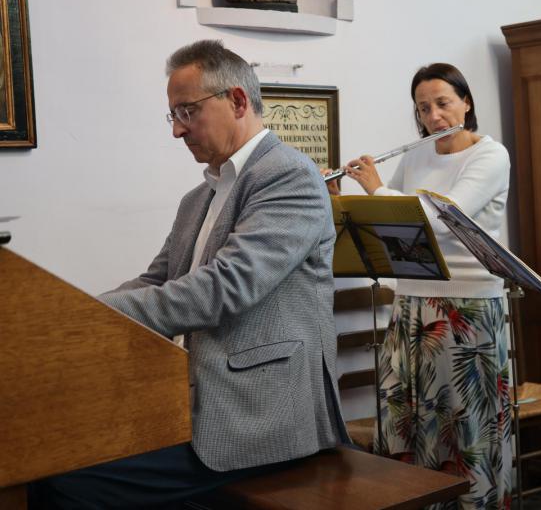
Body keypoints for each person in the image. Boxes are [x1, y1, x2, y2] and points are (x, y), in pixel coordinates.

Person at [31, 40, 345, 508]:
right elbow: (156, 280)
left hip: (261, 412)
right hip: (190, 396)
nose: (177, 130)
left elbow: (224, 287)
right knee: (43, 457)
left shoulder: (290, 176)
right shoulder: (198, 198)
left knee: (63, 483)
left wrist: (85, 315)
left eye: (187, 112)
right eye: (172, 115)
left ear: (237, 100)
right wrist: (75, 311)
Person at [331, 63, 512, 509]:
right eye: (424, 108)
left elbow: (442, 219)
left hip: (466, 309)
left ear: (466, 102)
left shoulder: (490, 155)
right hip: (411, 303)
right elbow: (385, 220)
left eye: (443, 103)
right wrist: (344, 198)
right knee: (406, 418)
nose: (434, 116)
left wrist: (374, 189)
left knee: (464, 424)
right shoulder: (415, 157)